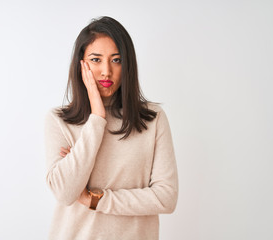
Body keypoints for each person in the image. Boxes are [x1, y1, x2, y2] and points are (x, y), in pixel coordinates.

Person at [44, 16, 178, 240]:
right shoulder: (60, 120)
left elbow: (166, 198)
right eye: (96, 60)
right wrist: (97, 117)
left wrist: (95, 199)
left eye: (116, 60)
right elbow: (65, 193)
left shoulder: (153, 119)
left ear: (128, 65)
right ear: (81, 64)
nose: (106, 71)